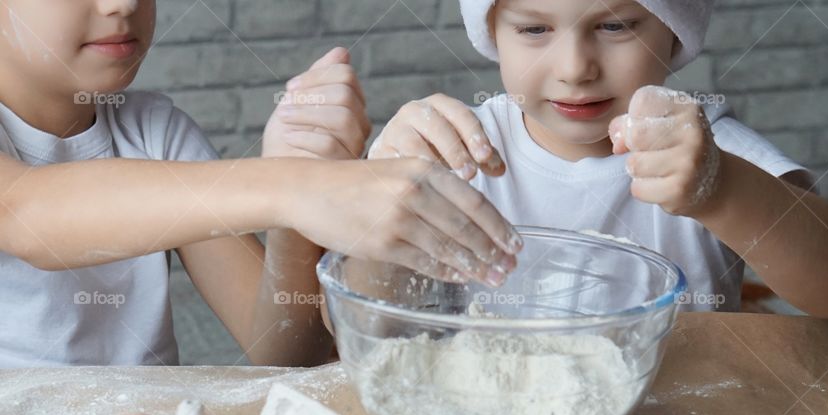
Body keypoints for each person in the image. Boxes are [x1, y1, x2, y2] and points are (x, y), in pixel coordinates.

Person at [0, 0, 521, 367]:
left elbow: (281, 352)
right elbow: (25, 215)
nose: (122, 4)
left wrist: (294, 215)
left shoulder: (155, 131)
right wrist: (294, 187)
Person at [370, 0, 828, 316]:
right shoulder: (461, 148)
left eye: (614, 25)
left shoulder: (706, 148)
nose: (574, 69)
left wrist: (722, 190)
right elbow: (373, 313)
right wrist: (383, 191)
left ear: (674, 35)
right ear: (493, 34)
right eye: (533, 30)